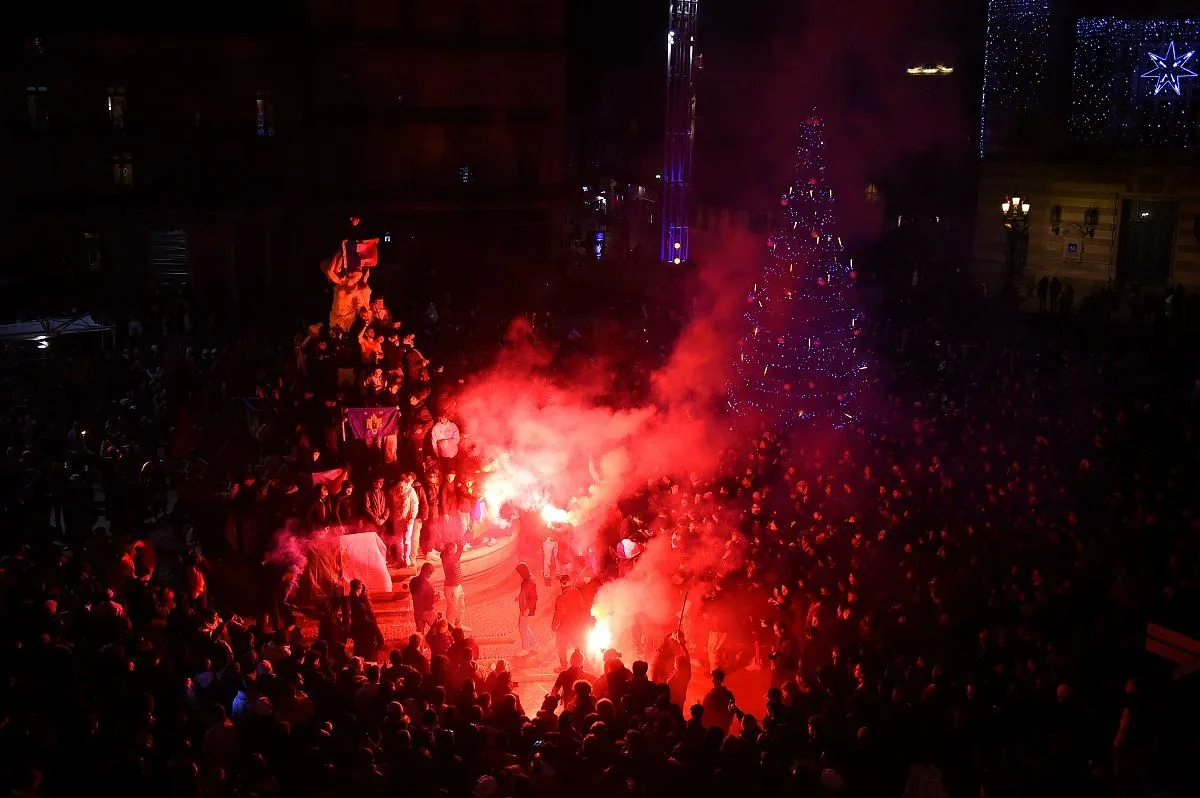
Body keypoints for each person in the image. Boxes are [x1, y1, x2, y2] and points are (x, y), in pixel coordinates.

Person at [551, 575, 588, 669]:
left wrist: (554, 625)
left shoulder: (560, 598)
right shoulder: (576, 592)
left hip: (565, 626)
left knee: (561, 646)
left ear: (561, 585)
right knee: (577, 645)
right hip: (577, 625)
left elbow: (558, 613)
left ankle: (564, 666)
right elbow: (582, 607)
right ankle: (581, 665)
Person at [348, 579, 384, 662]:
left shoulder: (355, 599)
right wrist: (375, 628)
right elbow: (363, 618)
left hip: (359, 632)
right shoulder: (357, 601)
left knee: (360, 654)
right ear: (359, 588)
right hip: (363, 633)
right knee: (366, 656)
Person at [389, 472, 419, 567]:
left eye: (403, 481)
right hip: (397, 519)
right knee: (398, 540)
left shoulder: (411, 491)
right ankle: (400, 558)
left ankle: (406, 558)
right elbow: (391, 504)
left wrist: (412, 517)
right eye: (400, 481)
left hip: (407, 519)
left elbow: (414, 504)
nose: (401, 483)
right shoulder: (394, 491)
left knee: (407, 539)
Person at [701, 668, 736, 734]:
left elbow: (704, 713)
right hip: (723, 728)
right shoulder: (729, 695)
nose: (713, 681)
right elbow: (732, 711)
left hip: (711, 729)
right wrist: (728, 723)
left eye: (714, 678)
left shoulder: (710, 696)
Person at [515, 562, 538, 655]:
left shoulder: (529, 582)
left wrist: (527, 609)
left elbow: (534, 597)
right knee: (524, 626)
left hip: (527, 608)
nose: (518, 575)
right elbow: (525, 593)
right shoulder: (528, 579)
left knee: (522, 627)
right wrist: (519, 597)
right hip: (526, 607)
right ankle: (533, 643)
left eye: (519, 573)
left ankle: (526, 648)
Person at [409, 562, 438, 634]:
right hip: (427, 612)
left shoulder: (412, 581)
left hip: (417, 611)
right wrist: (437, 597)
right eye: (430, 572)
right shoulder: (429, 586)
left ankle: (419, 645)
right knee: (438, 629)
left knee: (420, 634)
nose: (430, 574)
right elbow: (431, 601)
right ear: (429, 573)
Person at [441, 541, 465, 627]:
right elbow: (458, 554)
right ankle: (450, 628)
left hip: (458, 585)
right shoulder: (447, 558)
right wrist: (461, 546)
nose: (455, 550)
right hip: (451, 588)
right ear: (451, 550)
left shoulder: (450, 556)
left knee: (461, 606)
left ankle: (459, 625)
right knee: (452, 609)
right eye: (454, 548)